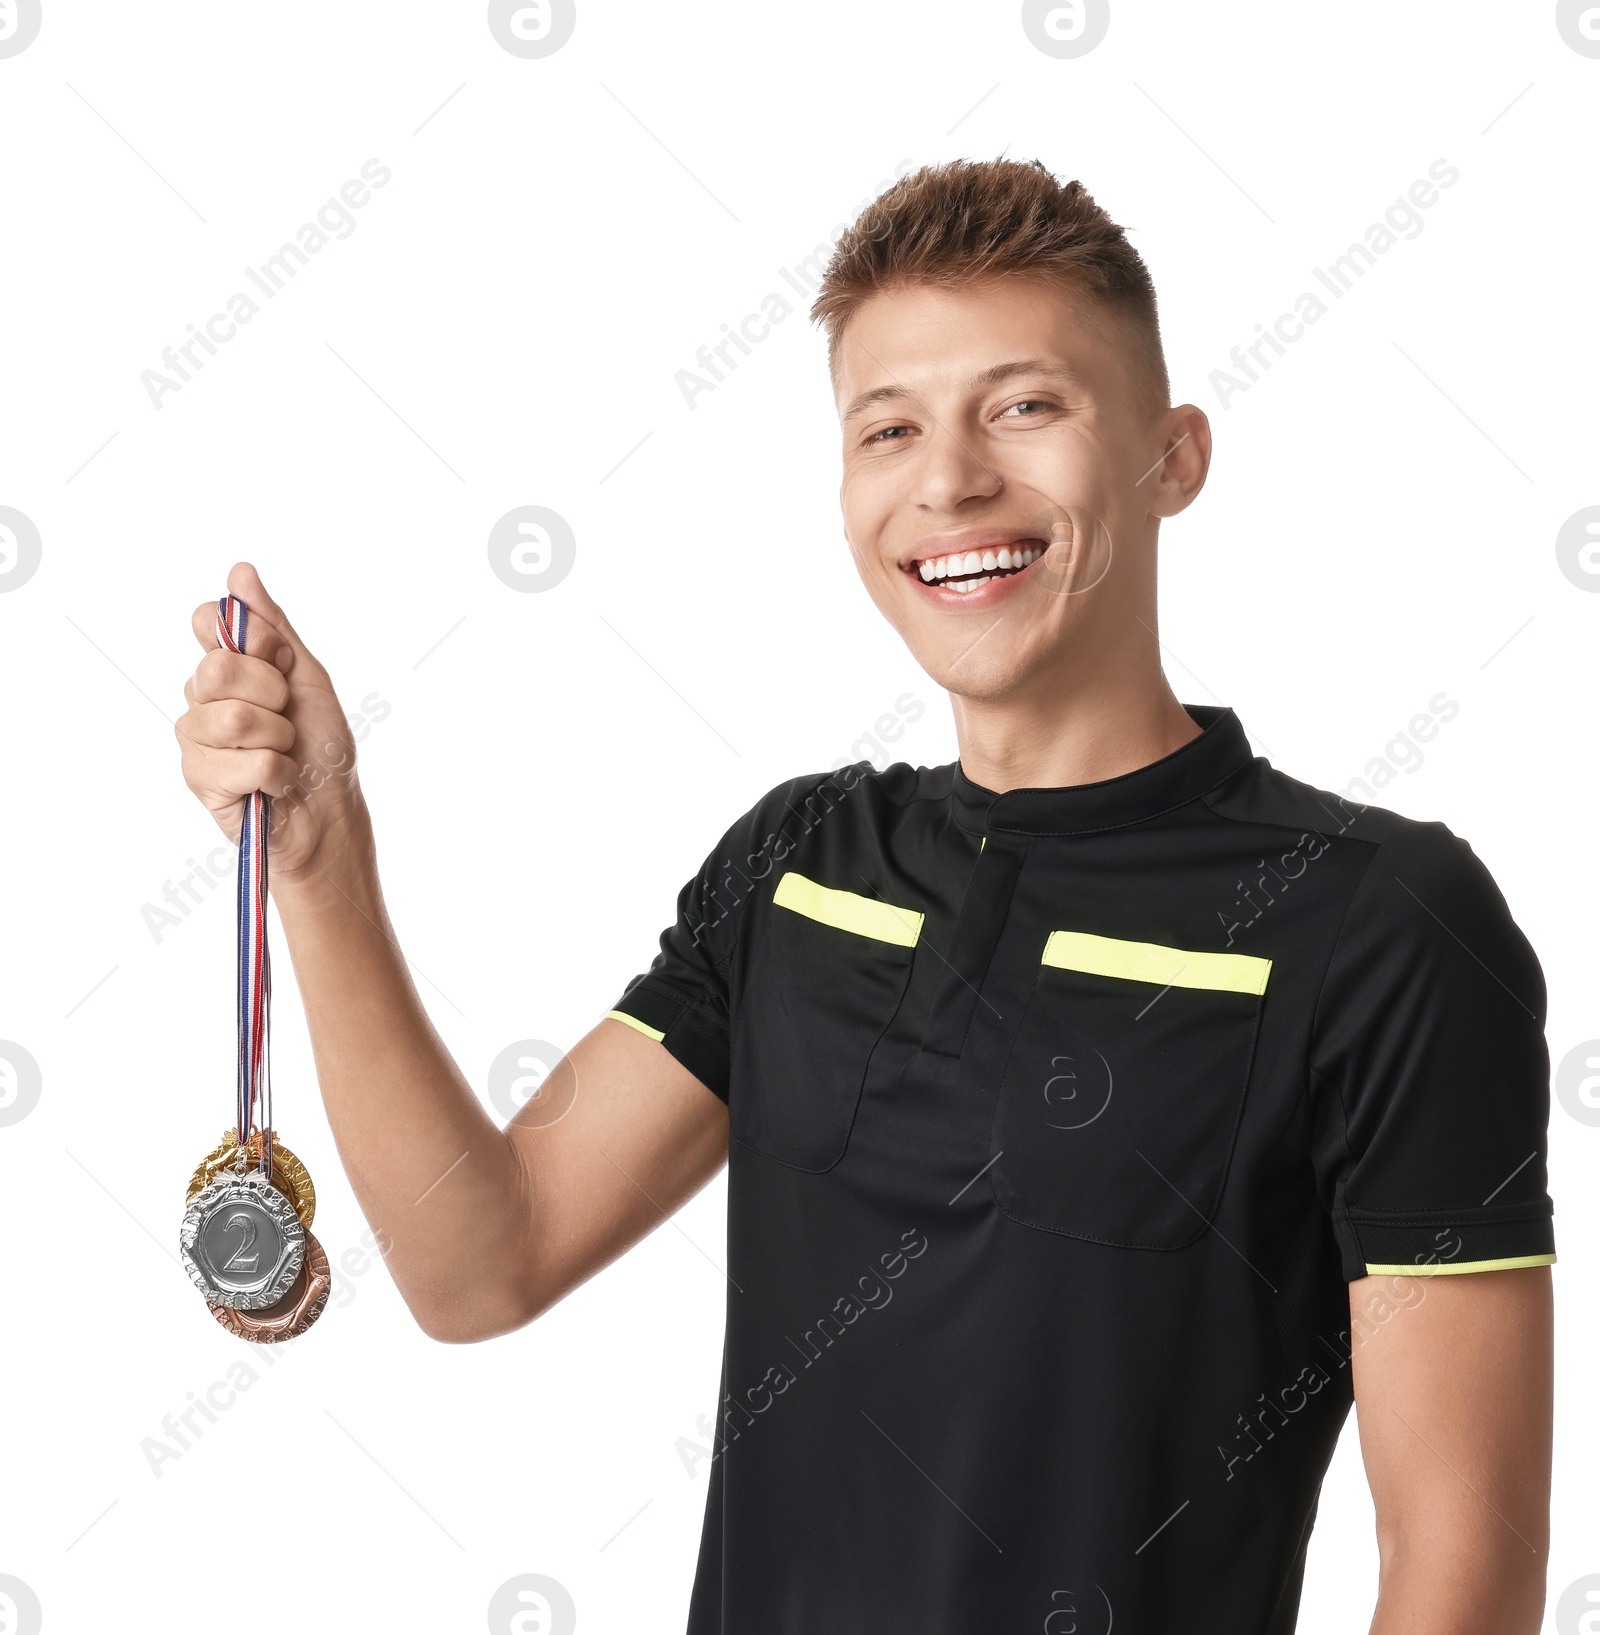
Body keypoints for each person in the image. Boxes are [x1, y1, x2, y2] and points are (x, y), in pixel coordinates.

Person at [175, 157, 1556, 1633]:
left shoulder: (1382, 921)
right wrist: (322, 860)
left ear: (1173, 455)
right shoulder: (797, 867)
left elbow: (1461, 1565)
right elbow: (480, 1261)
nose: (950, 480)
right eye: (888, 428)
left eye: (1026, 406)